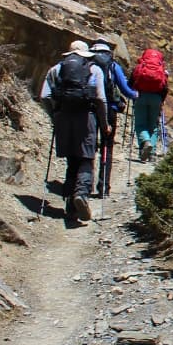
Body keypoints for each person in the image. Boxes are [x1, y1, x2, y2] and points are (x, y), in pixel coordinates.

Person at [39, 39, 108, 223]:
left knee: (72, 159)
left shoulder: (56, 69)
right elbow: (100, 99)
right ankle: (81, 195)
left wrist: (54, 114)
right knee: (86, 158)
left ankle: (70, 205)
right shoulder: (94, 70)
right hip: (86, 118)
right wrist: (104, 123)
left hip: (63, 118)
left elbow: (44, 96)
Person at [89, 39, 138, 196]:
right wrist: (135, 94)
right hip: (109, 109)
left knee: (89, 145)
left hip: (89, 109)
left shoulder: (87, 63)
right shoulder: (113, 65)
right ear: (108, 52)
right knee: (106, 146)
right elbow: (125, 89)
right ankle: (103, 186)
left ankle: (85, 184)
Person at [129, 47, 169, 161]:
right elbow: (165, 88)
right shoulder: (162, 70)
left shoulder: (139, 67)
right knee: (153, 125)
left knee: (140, 124)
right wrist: (161, 101)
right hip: (156, 99)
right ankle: (151, 154)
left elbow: (130, 83)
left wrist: (132, 95)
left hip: (140, 97)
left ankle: (145, 142)